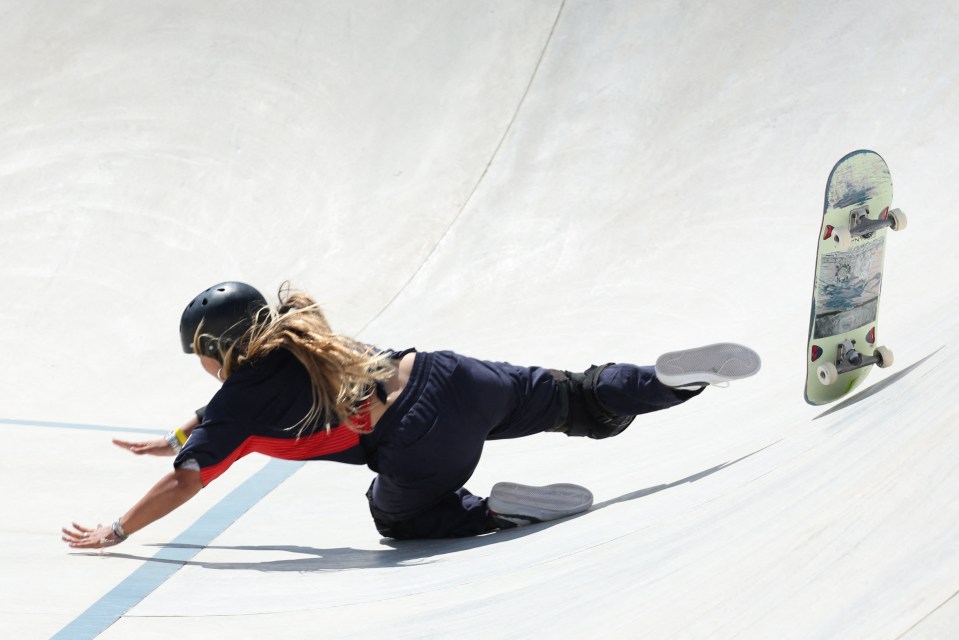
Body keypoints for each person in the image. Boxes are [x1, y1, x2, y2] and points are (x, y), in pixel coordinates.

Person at [63, 282, 761, 548]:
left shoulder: (239, 399)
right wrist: (179, 436)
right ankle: (671, 379)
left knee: (396, 518)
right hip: (451, 374)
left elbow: (191, 478)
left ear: (219, 349)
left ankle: (488, 511)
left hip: (421, 439)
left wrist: (118, 528)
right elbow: (213, 425)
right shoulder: (306, 341)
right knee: (579, 397)